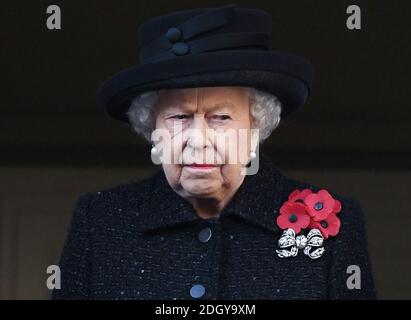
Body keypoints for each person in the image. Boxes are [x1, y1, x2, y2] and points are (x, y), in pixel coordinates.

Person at [52, 4, 376, 299]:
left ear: (255, 128)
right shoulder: (101, 221)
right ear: (153, 129)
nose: (198, 140)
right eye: (179, 117)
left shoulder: (336, 226)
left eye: (220, 117)